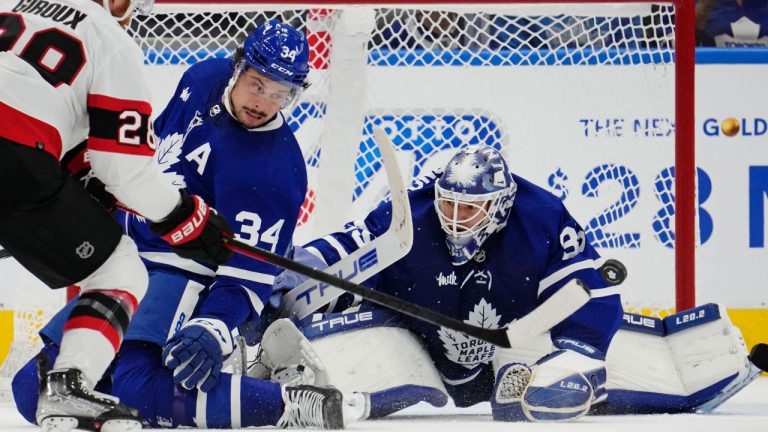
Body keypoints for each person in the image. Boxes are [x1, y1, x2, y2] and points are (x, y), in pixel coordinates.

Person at [12, 19, 354, 430]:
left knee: (135, 385)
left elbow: (249, 274)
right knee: (31, 390)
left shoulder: (274, 171)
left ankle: (290, 403)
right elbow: (150, 152)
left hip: (183, 270)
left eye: (280, 94)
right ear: (237, 67)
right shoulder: (201, 77)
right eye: (258, 84)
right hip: (127, 259)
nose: (263, 103)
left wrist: (213, 325)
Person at [270, 144, 760, 421]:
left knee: (673, 369)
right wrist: (294, 268)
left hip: (519, 347)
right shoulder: (412, 214)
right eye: (449, 205)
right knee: (353, 368)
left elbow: (590, 288)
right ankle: (313, 391)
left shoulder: (541, 218)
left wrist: (578, 356)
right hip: (418, 345)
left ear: (500, 205)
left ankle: (711, 358)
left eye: (470, 209)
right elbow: (351, 244)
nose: (456, 220)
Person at [0, 0, 233, 430]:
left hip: (20, 155)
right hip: (14, 159)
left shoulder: (17, 8)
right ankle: (68, 387)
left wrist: (81, 177)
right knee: (120, 272)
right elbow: (123, 168)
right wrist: (185, 217)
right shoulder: (108, 37)